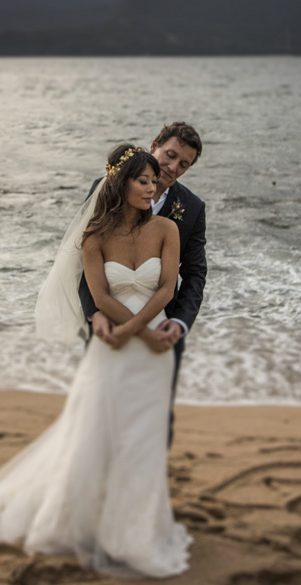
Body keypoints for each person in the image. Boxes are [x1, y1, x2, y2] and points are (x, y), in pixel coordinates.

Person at [0, 144, 191, 579]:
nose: (152, 188)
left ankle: (136, 534)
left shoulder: (168, 228)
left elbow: (167, 289)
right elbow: (101, 294)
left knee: (143, 443)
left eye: (155, 181)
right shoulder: (94, 236)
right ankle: (85, 523)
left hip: (151, 352)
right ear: (121, 182)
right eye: (143, 180)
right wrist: (131, 332)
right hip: (111, 348)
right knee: (94, 433)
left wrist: (142, 334)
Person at [80, 122, 205, 446]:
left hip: (161, 326)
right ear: (154, 146)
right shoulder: (102, 188)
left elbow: (194, 274)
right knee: (98, 416)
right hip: (108, 323)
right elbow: (79, 264)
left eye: (184, 164)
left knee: (156, 421)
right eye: (170, 155)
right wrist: (95, 313)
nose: (173, 167)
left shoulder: (191, 209)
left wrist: (179, 322)